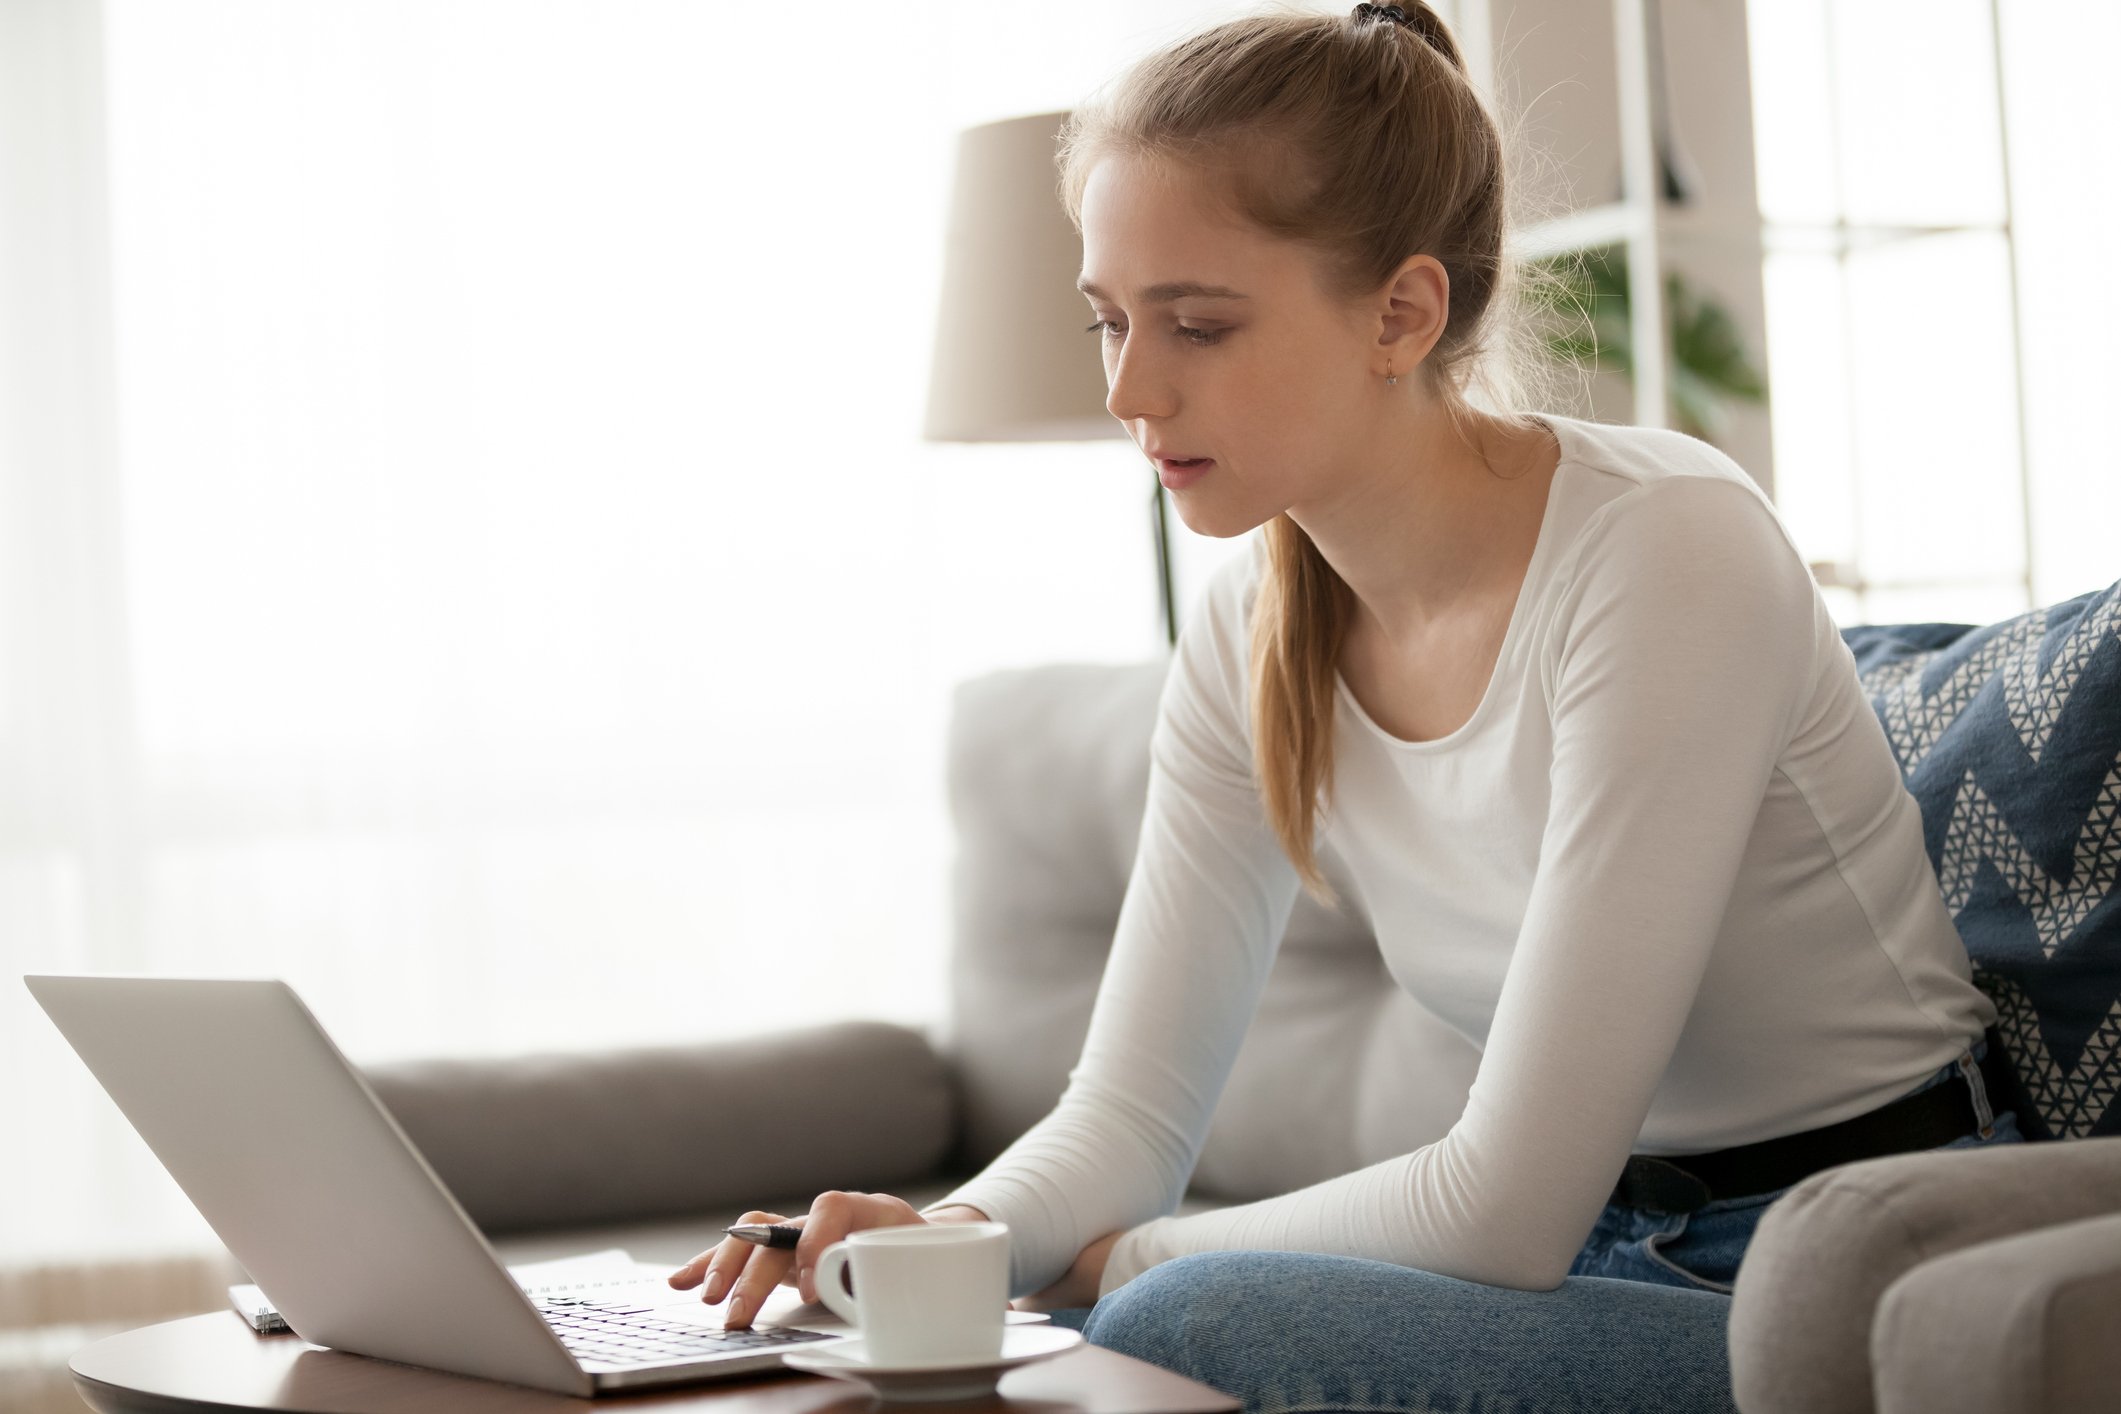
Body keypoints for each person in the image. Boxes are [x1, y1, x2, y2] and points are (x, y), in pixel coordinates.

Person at [667, 3, 2025, 1408]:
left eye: (1195, 322)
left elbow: (1501, 1202)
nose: (1132, 388)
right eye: (1108, 321)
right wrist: (948, 1240)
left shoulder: (1659, 545)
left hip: (1850, 1268)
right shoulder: (1251, 629)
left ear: (1401, 312)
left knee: (1191, 1313)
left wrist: (1111, 1261)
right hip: (1603, 1257)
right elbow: (1128, 1114)